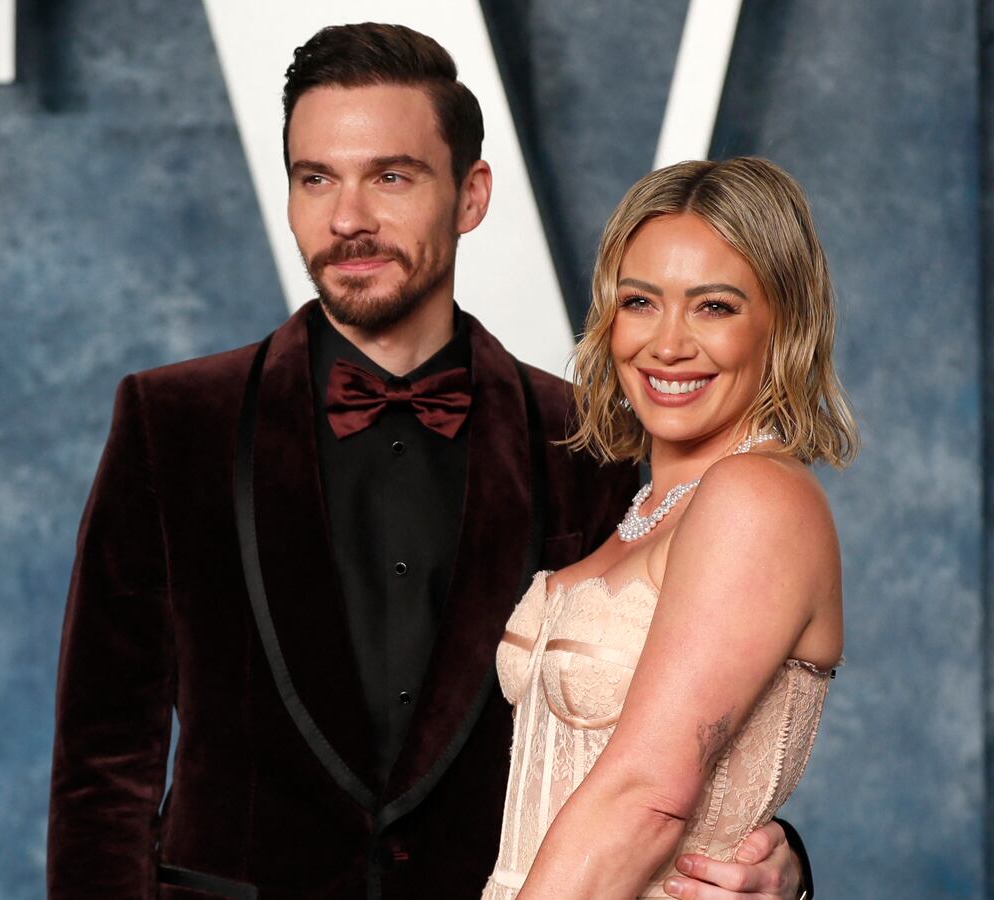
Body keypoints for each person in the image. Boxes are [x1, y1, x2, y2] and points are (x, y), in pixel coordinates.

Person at [47, 24, 813, 899]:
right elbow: (101, 763)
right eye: (316, 178)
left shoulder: (589, 438)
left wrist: (770, 858)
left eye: (391, 176)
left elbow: (658, 720)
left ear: (471, 194)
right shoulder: (170, 421)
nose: (347, 217)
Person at [481, 157, 858, 899]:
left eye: (714, 306)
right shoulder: (642, 509)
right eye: (640, 302)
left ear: (783, 322)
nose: (667, 344)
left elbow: (648, 797)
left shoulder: (757, 497)